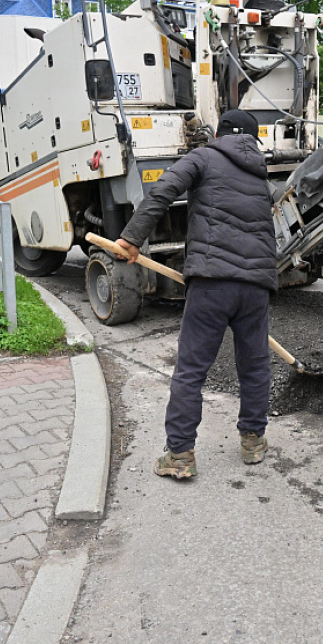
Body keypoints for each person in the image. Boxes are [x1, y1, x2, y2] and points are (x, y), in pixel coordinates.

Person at [113, 109, 276, 480]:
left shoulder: (202, 157)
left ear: (218, 133)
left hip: (212, 280)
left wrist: (131, 238)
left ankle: (180, 454)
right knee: (254, 365)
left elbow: (162, 193)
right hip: (255, 286)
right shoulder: (261, 176)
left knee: (191, 370)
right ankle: (253, 440)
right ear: (252, 141)